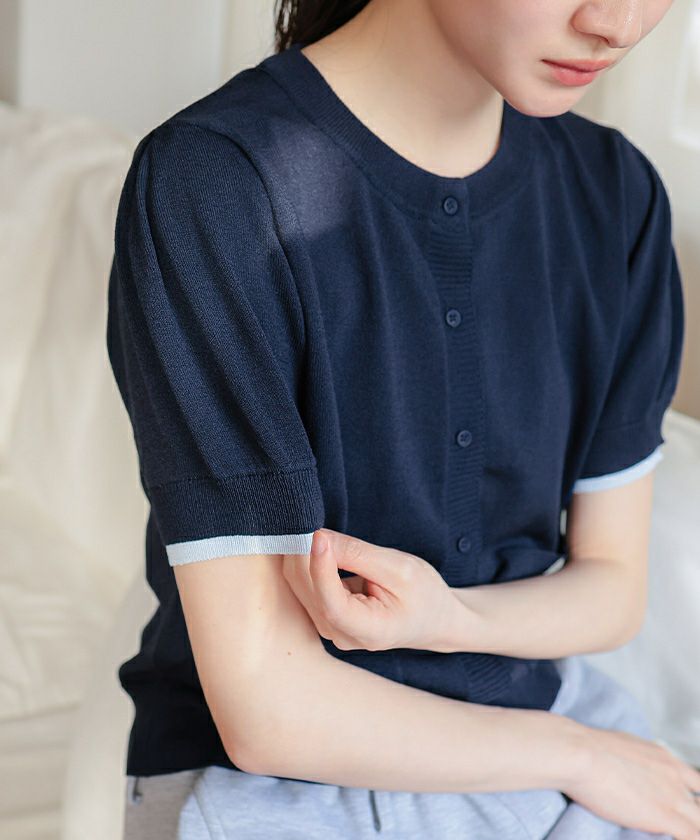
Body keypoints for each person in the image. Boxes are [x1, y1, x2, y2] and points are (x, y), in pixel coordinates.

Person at [107, 0, 700, 837]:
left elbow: (612, 587)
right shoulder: (214, 180)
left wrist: (452, 620)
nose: (619, 22)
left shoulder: (617, 196)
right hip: (274, 785)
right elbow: (266, 709)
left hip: (544, 729)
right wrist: (576, 755)